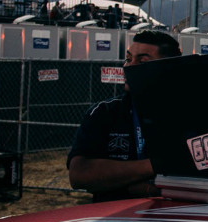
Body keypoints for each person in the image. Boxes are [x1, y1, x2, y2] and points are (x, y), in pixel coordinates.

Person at [67, 29, 181, 201]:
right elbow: (79, 175)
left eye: (142, 62)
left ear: (168, 68)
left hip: (174, 220)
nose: (128, 66)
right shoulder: (104, 113)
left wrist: (128, 181)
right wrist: (158, 165)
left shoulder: (187, 115)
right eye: (128, 59)